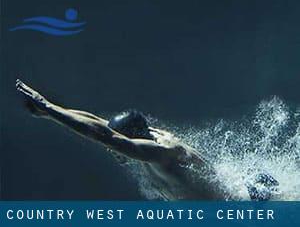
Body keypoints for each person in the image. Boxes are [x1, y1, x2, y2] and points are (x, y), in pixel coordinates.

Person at [15, 79, 277, 200]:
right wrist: (51, 112)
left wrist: (48, 108)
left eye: (115, 145)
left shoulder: (161, 153)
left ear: (132, 139)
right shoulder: (146, 138)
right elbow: (99, 125)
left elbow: (105, 136)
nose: (111, 150)